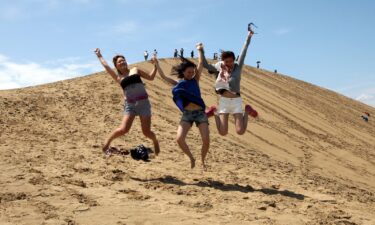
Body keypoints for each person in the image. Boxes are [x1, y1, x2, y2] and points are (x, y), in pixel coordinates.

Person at [153, 45, 214, 169]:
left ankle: (203, 161)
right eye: (189, 72)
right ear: (183, 72)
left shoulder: (195, 80)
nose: (191, 74)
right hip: (187, 114)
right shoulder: (178, 84)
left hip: (200, 114)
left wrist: (200, 50)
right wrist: (156, 64)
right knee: (179, 139)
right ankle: (191, 158)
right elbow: (163, 77)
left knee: (206, 140)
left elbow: (201, 63)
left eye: (192, 72)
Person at [94, 48, 160, 156]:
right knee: (123, 129)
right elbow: (106, 66)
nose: (122, 62)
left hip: (143, 103)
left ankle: (155, 141)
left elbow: (151, 77)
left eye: (123, 60)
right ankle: (106, 144)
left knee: (146, 132)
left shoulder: (135, 70)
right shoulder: (118, 77)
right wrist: (99, 55)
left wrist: (156, 65)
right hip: (130, 105)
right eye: (119, 61)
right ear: (116, 65)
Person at [198, 26, 258, 136]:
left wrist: (249, 36)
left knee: (240, 131)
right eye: (226, 61)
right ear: (223, 61)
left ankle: (247, 111)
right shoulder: (219, 67)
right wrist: (201, 50)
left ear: (234, 60)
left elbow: (244, 51)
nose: (229, 63)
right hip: (224, 101)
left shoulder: (238, 67)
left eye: (231, 61)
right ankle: (214, 112)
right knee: (222, 132)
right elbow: (205, 65)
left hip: (236, 101)